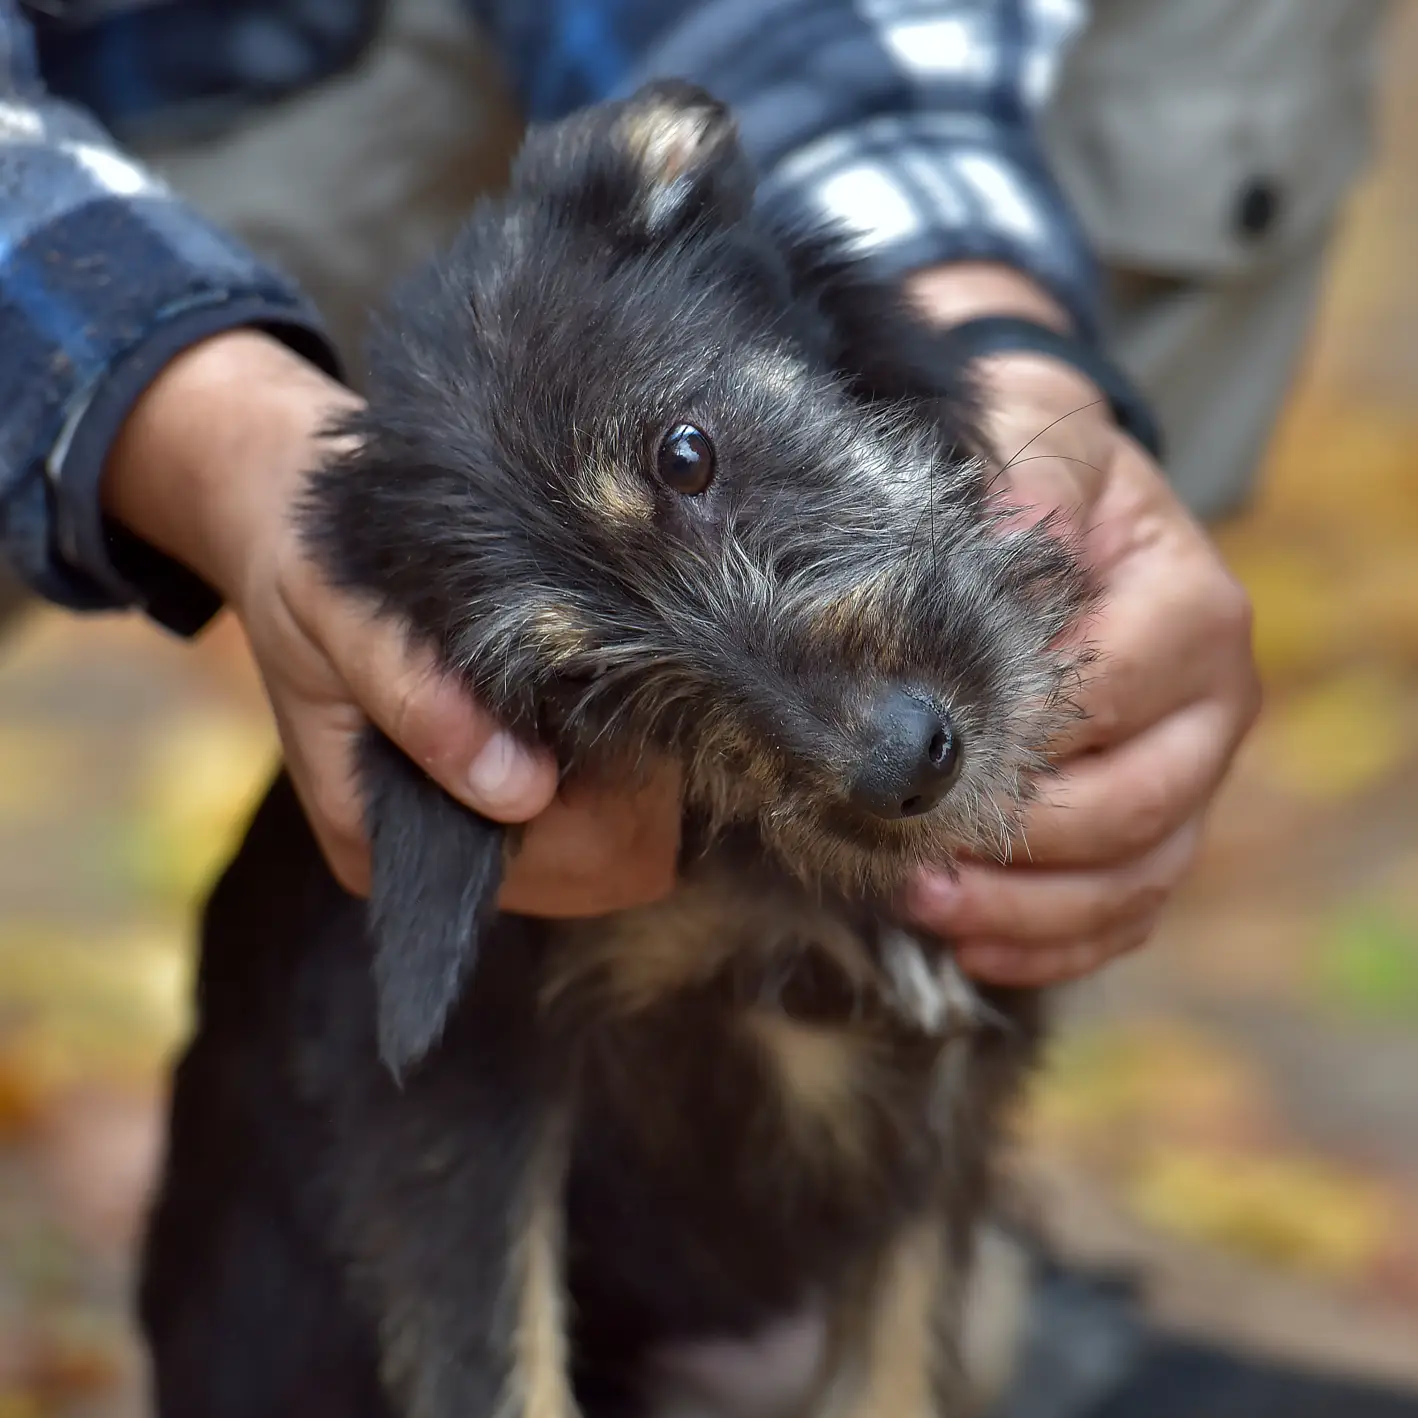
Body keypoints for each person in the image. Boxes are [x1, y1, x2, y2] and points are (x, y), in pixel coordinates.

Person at [0, 0, 1382, 1411]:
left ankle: (910, 1317)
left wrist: (999, 325)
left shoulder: (670, 250)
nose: (867, 738)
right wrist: (195, 422)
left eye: (687, 457)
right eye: (595, 675)